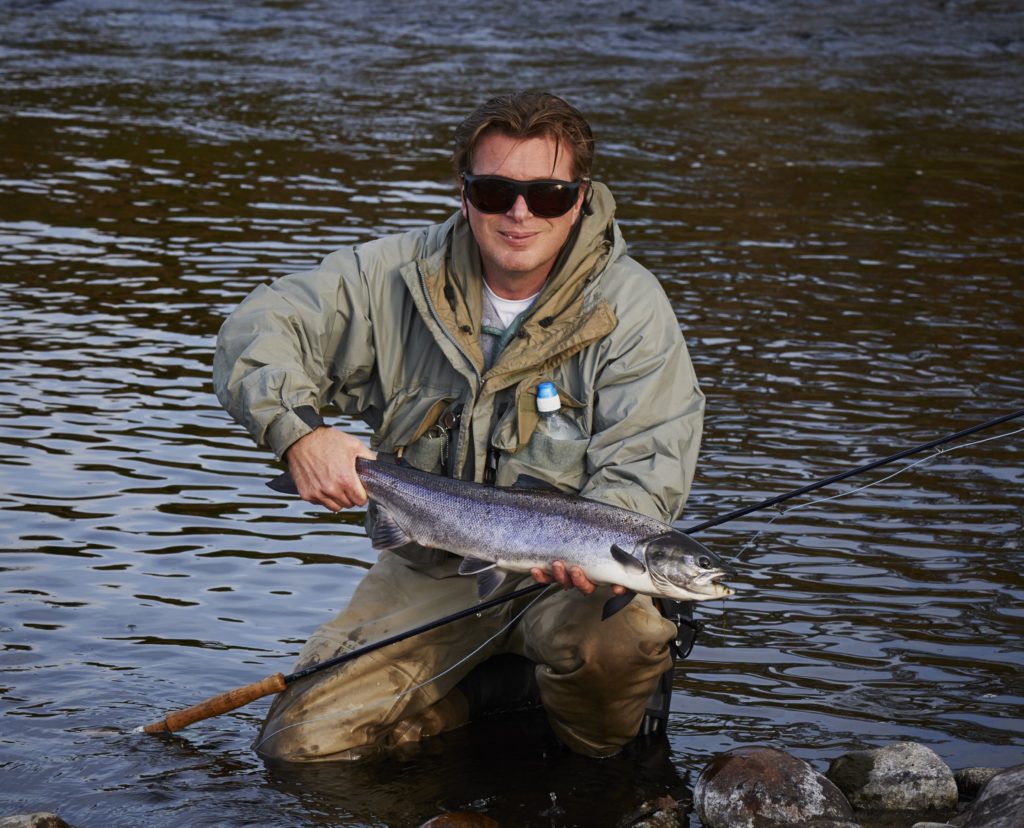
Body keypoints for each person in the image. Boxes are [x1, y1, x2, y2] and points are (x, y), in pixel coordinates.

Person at [212, 91, 705, 762]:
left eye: (548, 194)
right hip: (428, 572)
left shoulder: (631, 311)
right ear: (465, 191)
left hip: (561, 590)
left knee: (628, 643)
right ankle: (486, 698)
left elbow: (648, 469)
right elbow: (258, 329)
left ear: (582, 197)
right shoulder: (391, 278)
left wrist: (600, 543)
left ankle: (598, 763)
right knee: (298, 750)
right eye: (497, 189)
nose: (520, 212)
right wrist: (299, 433)